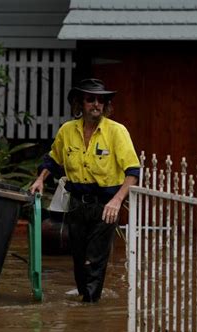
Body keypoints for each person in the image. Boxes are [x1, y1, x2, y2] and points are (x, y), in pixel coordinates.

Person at [30, 78, 140, 302]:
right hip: (77, 204)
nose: (96, 104)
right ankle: (84, 305)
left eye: (101, 100)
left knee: (94, 260)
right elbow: (53, 159)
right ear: (80, 103)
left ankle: (90, 307)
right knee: (79, 259)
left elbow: (133, 172)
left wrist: (117, 201)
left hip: (105, 205)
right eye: (91, 100)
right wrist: (40, 179)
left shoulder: (117, 132)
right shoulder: (67, 130)